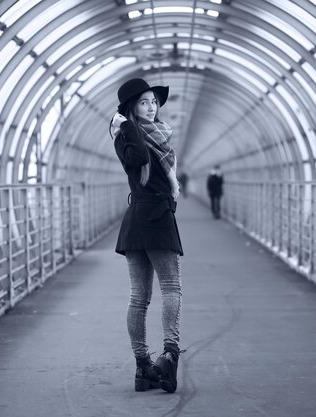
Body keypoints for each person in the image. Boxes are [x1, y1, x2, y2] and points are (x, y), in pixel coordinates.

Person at [109, 78, 183, 393]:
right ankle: (168, 355)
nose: (152, 108)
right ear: (130, 108)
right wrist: (126, 126)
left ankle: (144, 371)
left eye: (154, 101)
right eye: (143, 102)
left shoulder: (153, 135)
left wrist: (129, 127)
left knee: (140, 297)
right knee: (170, 289)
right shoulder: (128, 135)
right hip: (154, 217)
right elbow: (138, 159)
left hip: (139, 219)